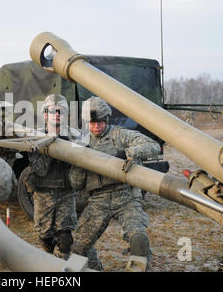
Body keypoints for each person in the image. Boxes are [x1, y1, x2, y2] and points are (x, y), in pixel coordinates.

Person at [69, 96, 161, 271]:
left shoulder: (120, 135)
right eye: (92, 123)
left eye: (100, 122)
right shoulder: (81, 143)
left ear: (107, 119)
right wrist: (80, 163)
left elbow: (152, 145)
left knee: (139, 240)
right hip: (98, 200)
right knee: (78, 249)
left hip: (125, 196)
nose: (96, 126)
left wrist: (127, 153)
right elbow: (75, 183)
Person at [25, 94, 80, 260]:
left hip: (66, 193)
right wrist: (51, 143)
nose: (57, 114)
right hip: (43, 194)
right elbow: (40, 169)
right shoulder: (35, 138)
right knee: (45, 237)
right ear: (45, 115)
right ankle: (53, 257)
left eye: (61, 111)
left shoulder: (74, 138)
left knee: (65, 238)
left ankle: (60, 265)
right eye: (52, 111)